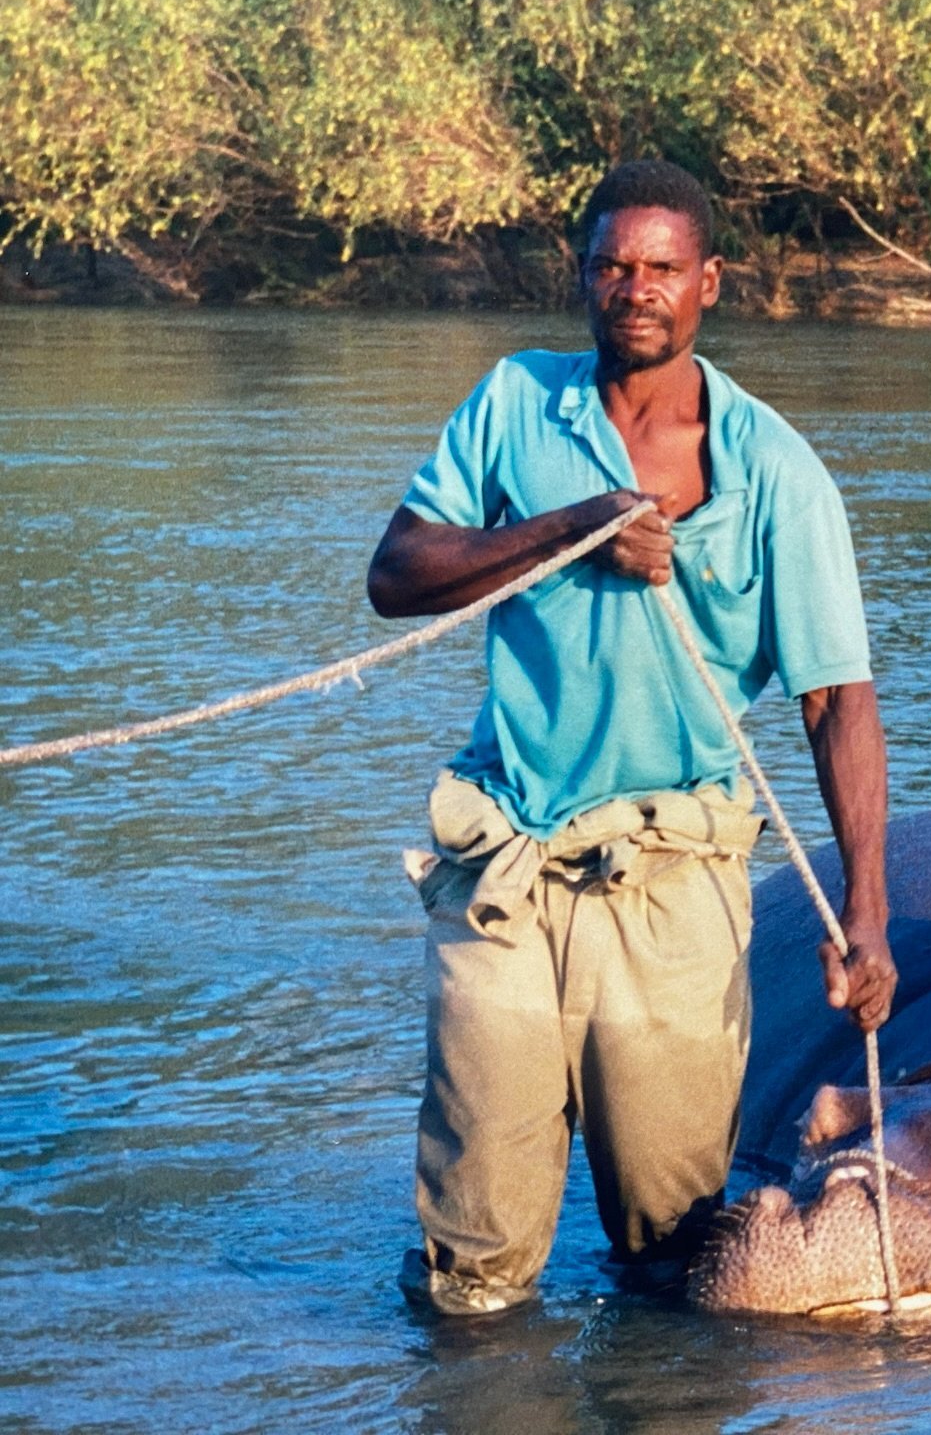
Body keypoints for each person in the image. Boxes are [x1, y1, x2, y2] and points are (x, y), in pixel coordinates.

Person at [365, 159, 897, 1315]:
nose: (634, 288)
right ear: (582, 276)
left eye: (662, 268)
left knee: (671, 1246)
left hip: (672, 878)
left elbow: (835, 704)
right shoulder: (514, 404)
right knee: (474, 1260)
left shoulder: (777, 474)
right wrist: (576, 525)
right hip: (504, 860)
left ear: (709, 283)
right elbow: (396, 576)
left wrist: (866, 916)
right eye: (612, 265)